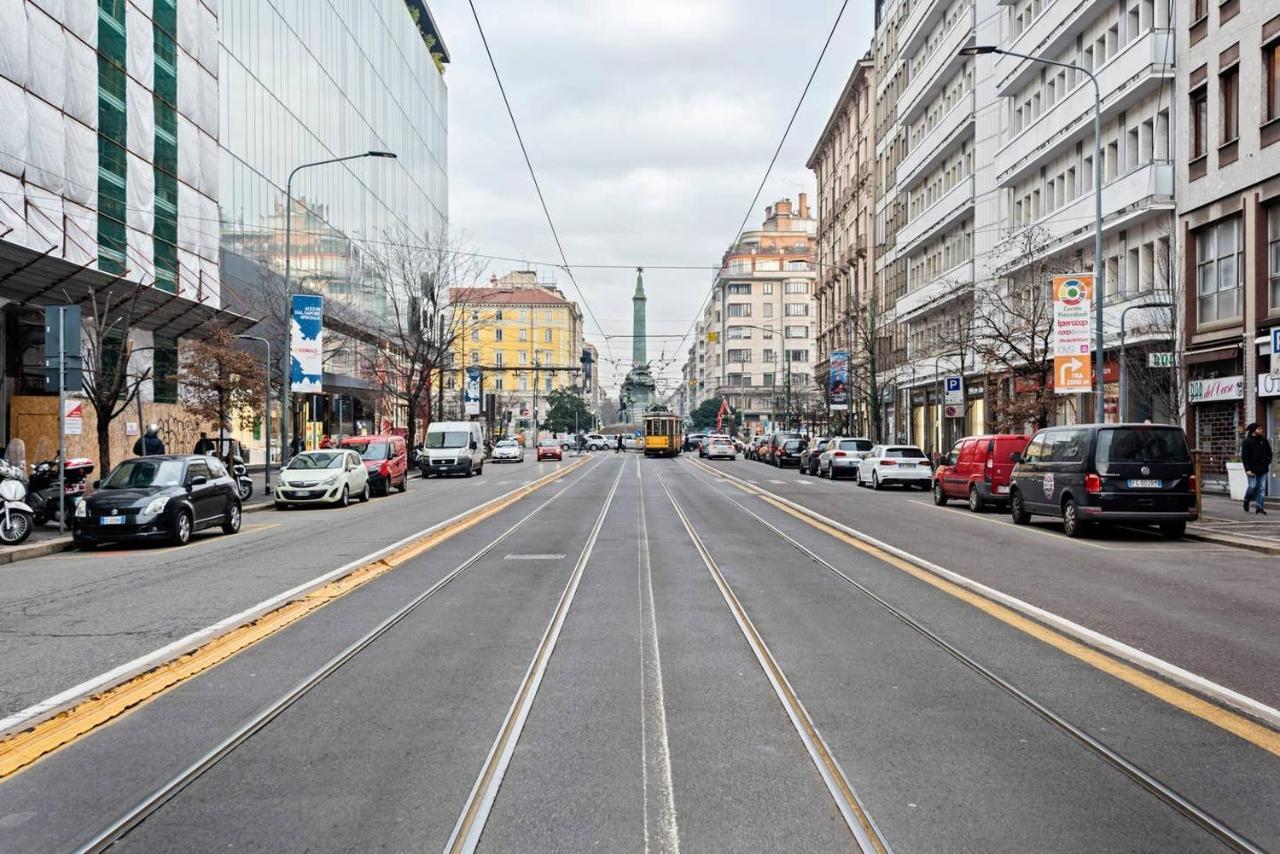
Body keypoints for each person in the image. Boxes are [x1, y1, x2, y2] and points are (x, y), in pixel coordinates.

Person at [1241, 422, 1273, 515]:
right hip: (1252, 469)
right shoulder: (1247, 441)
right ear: (1253, 430)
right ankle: (1246, 500)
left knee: (1261, 489)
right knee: (1252, 486)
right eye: (1259, 429)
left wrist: (1267, 462)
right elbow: (1245, 457)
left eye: (1261, 428)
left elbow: (1269, 453)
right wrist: (1247, 469)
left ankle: (1259, 507)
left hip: (1263, 469)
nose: (1261, 430)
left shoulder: (1264, 440)